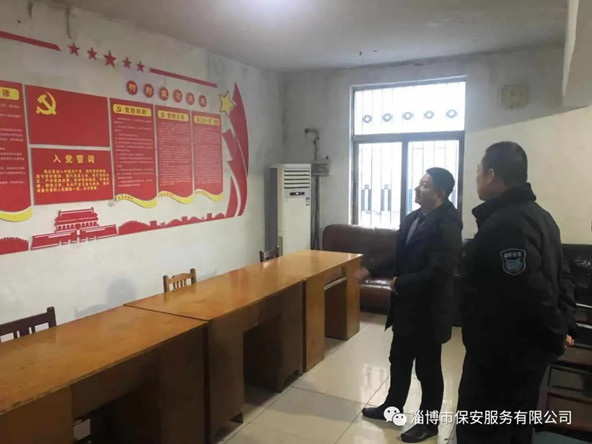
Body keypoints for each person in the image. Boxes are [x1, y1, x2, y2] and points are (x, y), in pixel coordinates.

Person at [457, 141, 577, 444]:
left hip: (501, 359)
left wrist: (557, 332)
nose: (476, 178)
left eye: (478, 172)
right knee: (517, 428)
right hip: (525, 357)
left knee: (483, 431)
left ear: (491, 176)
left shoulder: (505, 225)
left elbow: (530, 291)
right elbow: (563, 277)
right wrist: (564, 325)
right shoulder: (541, 216)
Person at [358, 167, 463, 443]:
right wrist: (369, 269)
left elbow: (440, 272)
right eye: (419, 184)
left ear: (440, 193)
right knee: (399, 360)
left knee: (428, 369)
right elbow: (398, 254)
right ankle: (392, 407)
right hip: (406, 308)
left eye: (425, 186)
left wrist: (401, 283)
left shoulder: (448, 224)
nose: (417, 189)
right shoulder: (414, 217)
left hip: (429, 311)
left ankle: (429, 424)